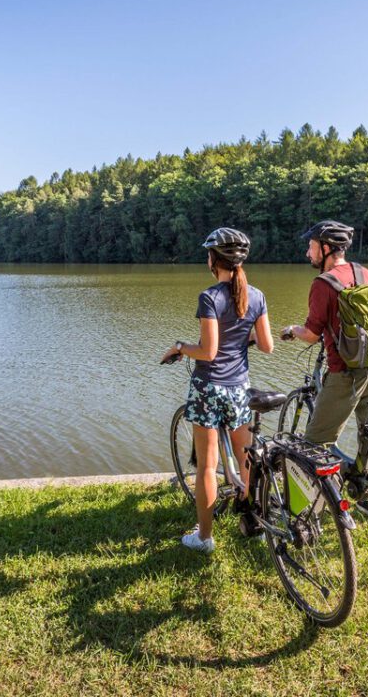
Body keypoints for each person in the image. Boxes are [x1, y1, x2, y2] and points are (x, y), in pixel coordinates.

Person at [161, 227, 274, 553]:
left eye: (208, 254)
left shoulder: (210, 297)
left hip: (209, 388)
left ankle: (205, 537)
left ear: (214, 260)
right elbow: (266, 345)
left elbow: (207, 352)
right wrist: (241, 339)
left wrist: (181, 347)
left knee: (208, 467)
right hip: (239, 387)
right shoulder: (257, 296)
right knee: (246, 461)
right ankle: (253, 519)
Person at [280, 220, 368, 471]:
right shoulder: (366, 274)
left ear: (326, 248)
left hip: (345, 371)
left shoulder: (323, 283)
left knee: (315, 443)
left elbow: (311, 335)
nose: (307, 253)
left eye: (311, 246)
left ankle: (321, 504)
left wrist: (291, 330)